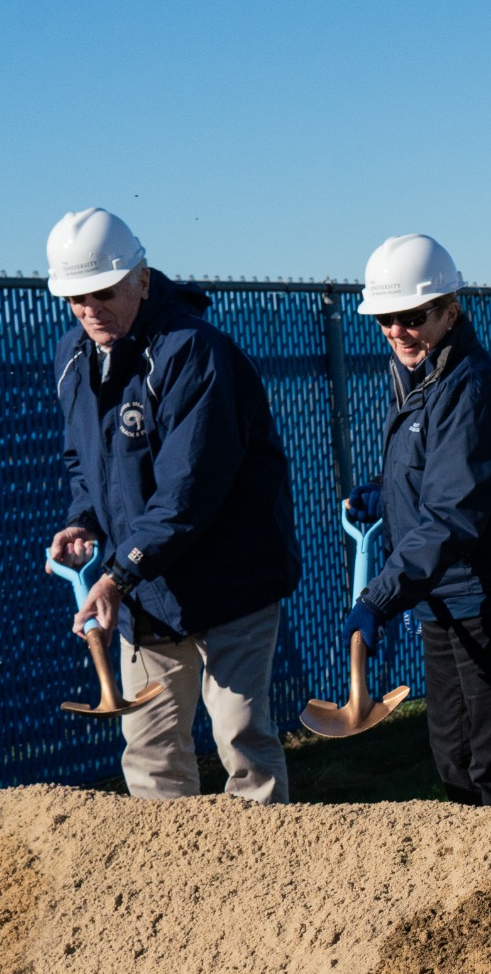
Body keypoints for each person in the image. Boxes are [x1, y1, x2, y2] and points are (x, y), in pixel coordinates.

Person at [45, 208, 300, 804]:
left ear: (141, 277)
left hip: (231, 584)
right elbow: (84, 458)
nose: (89, 310)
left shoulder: (194, 352)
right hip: (146, 596)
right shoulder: (73, 359)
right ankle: (174, 890)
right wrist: (82, 518)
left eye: (102, 293)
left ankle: (271, 887)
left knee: (244, 741)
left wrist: (117, 572)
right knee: (151, 752)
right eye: (75, 299)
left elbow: (190, 491)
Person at [348, 234, 491, 807]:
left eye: (412, 316)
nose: (396, 330)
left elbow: (452, 514)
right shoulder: (420, 379)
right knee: (453, 751)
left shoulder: (471, 386)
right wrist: (383, 493)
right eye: (385, 318)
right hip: (444, 593)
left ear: (449, 311)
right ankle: (472, 881)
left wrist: (380, 596)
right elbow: (433, 474)